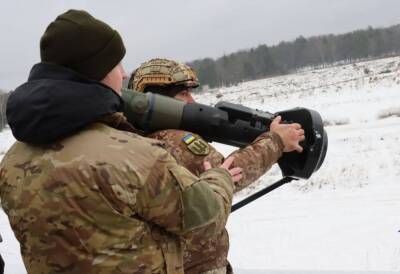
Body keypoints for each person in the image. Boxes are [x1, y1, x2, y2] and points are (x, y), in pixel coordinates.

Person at [0, 10, 242, 274]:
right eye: (117, 64)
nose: (124, 74)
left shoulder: (12, 161)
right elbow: (205, 217)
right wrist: (219, 178)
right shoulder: (134, 157)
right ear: (99, 71)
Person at [129, 58, 305, 274]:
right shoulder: (174, 141)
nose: (192, 101)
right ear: (157, 99)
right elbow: (229, 171)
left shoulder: (134, 141)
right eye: (183, 94)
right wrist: (276, 141)